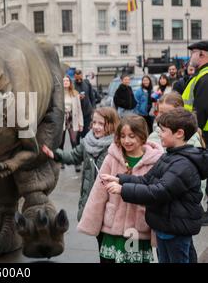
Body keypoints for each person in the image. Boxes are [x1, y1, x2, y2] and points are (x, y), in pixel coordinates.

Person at [102, 108, 206, 263]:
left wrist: (123, 190)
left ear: (179, 133)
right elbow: (146, 180)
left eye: (163, 130)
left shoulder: (183, 164)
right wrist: (120, 180)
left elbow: (158, 191)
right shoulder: (170, 156)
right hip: (166, 227)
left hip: (176, 229)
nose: (159, 134)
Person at [77, 115, 163, 263]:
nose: (126, 141)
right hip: (113, 228)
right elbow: (99, 192)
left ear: (142, 136)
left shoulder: (153, 162)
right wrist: (90, 222)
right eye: (122, 136)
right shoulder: (112, 158)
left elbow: (154, 195)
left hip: (137, 229)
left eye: (131, 136)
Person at [42, 107, 119, 223]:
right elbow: (73, 156)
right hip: (91, 197)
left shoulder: (116, 146)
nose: (96, 127)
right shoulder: (87, 142)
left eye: (101, 124)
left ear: (111, 125)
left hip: (110, 199)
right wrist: (54, 153)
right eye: (94, 122)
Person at [183, 41, 208, 145]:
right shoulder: (201, 75)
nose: (191, 56)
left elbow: (201, 110)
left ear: (202, 54)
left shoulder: (205, 77)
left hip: (202, 134)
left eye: (193, 52)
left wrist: (194, 132)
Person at [59, 75, 84, 172]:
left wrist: (80, 124)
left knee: (74, 141)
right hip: (61, 120)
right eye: (63, 81)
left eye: (67, 81)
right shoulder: (58, 94)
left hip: (72, 120)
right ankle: (61, 161)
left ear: (70, 83)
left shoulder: (75, 94)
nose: (65, 82)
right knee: (60, 142)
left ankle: (77, 163)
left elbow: (79, 109)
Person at [74, 69, 96, 140]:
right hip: (76, 115)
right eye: (77, 77)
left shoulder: (87, 84)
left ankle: (86, 150)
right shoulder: (72, 85)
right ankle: (77, 150)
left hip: (87, 113)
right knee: (77, 136)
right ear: (75, 76)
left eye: (80, 76)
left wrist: (93, 109)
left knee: (86, 135)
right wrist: (78, 98)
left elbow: (92, 97)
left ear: (82, 75)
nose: (79, 79)